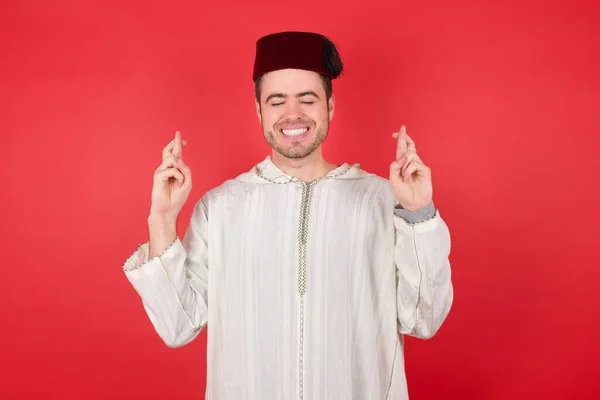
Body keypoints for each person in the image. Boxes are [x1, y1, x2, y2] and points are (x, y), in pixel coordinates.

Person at [122, 31, 453, 400]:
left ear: (330, 107)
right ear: (259, 111)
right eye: (277, 101)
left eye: (307, 100)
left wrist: (417, 211)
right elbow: (177, 325)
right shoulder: (222, 208)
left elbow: (424, 319)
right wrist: (163, 219)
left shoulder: (381, 199)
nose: (292, 114)